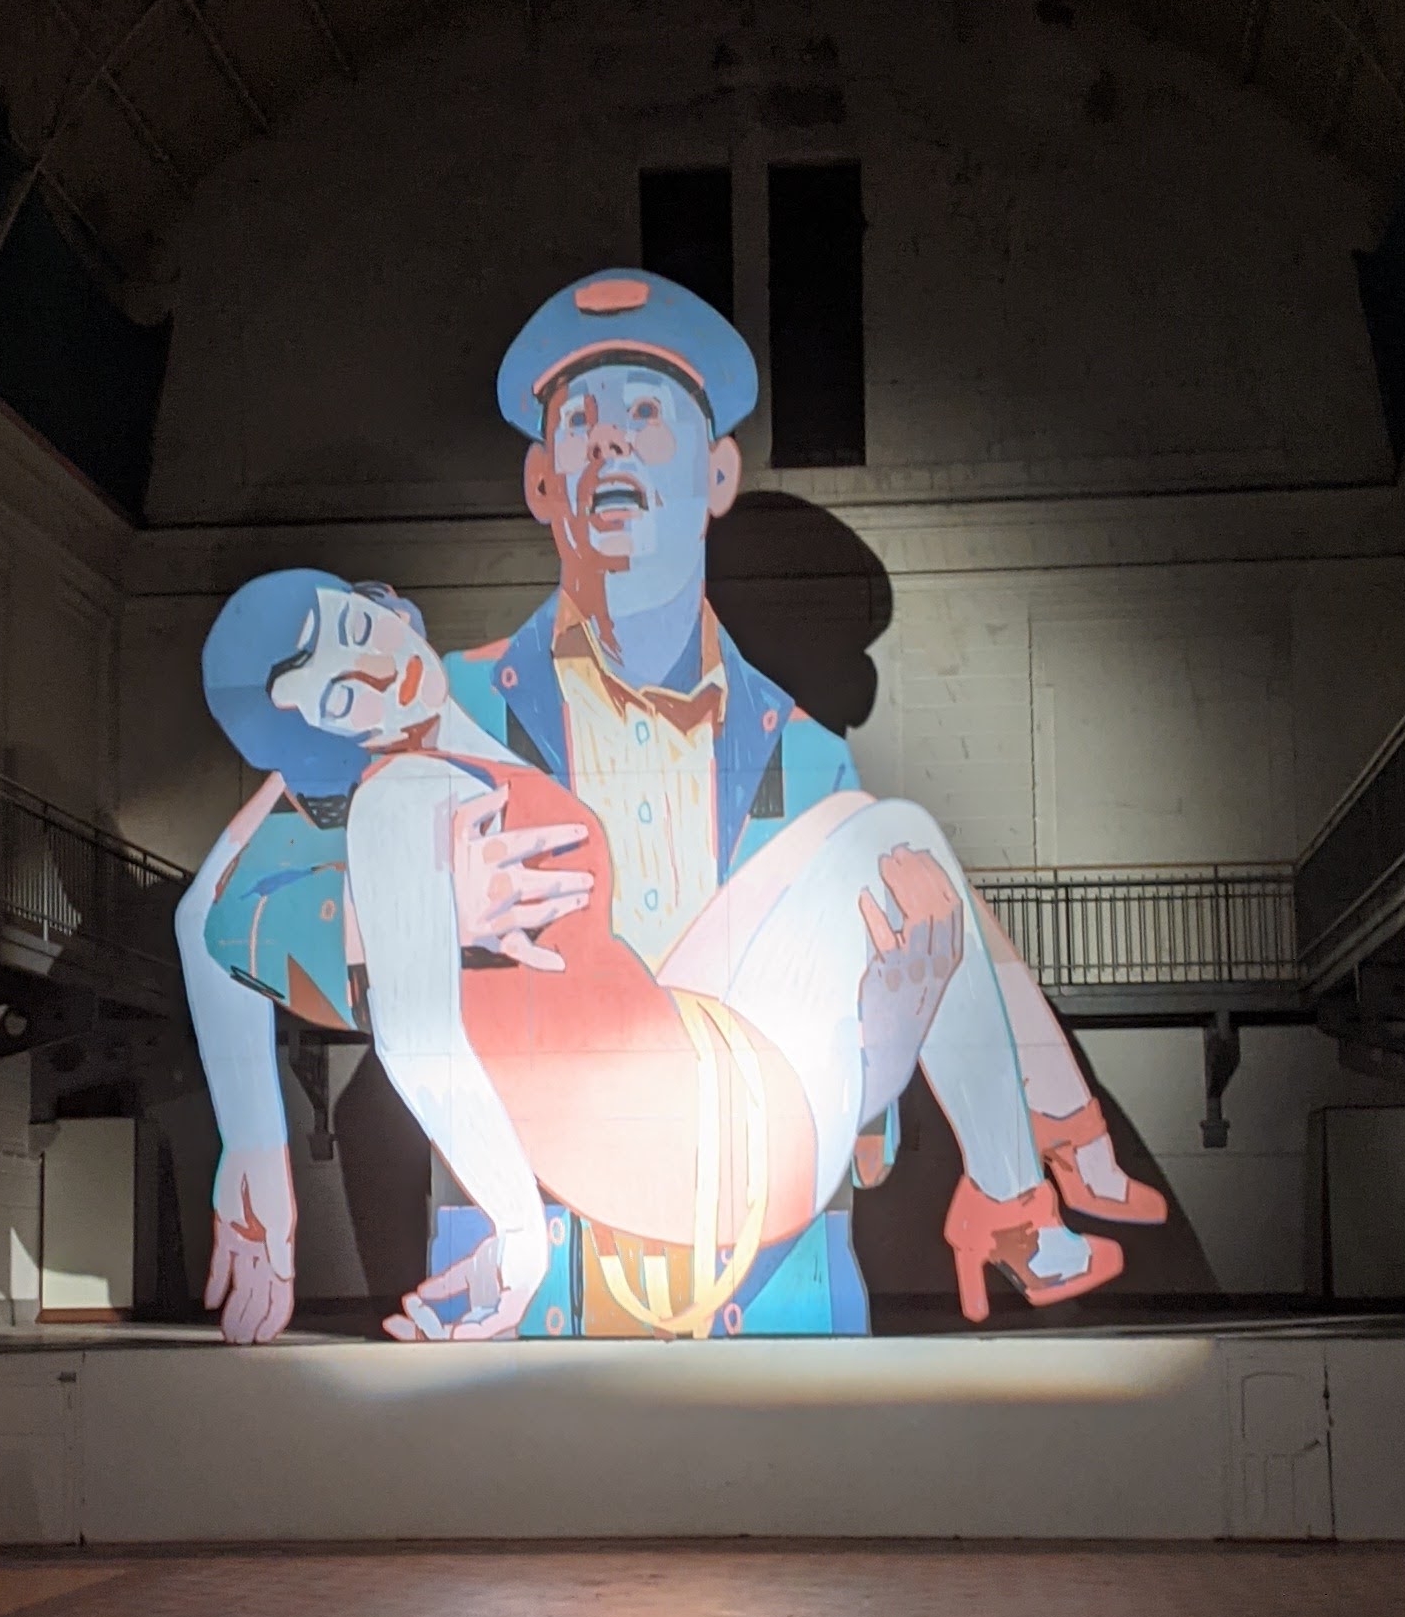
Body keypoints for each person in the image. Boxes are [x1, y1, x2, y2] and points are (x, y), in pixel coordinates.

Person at [181, 265, 1161, 1341]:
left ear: (717, 472)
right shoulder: (426, 721)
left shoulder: (805, 756)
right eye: (579, 422)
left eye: (646, 413)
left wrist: (906, 1045)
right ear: (541, 483)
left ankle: (1027, 1176)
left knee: (902, 850)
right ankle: (1023, 1189)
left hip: (772, 1282)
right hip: (540, 1286)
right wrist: (391, 930)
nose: (610, 440)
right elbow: (225, 911)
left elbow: (899, 1031)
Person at [178, 571, 1125, 1339]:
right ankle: (1012, 1198)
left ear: (381, 604)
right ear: (332, 737)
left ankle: (1018, 1181)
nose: (380, 673)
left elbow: (195, 913)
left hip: (678, 1059)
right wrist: (517, 1237)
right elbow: (415, 1041)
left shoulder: (457, 729)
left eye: (358, 629)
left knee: (868, 824)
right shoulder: (400, 801)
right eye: (342, 695)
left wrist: (253, 1144)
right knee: (902, 837)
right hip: (704, 1151)